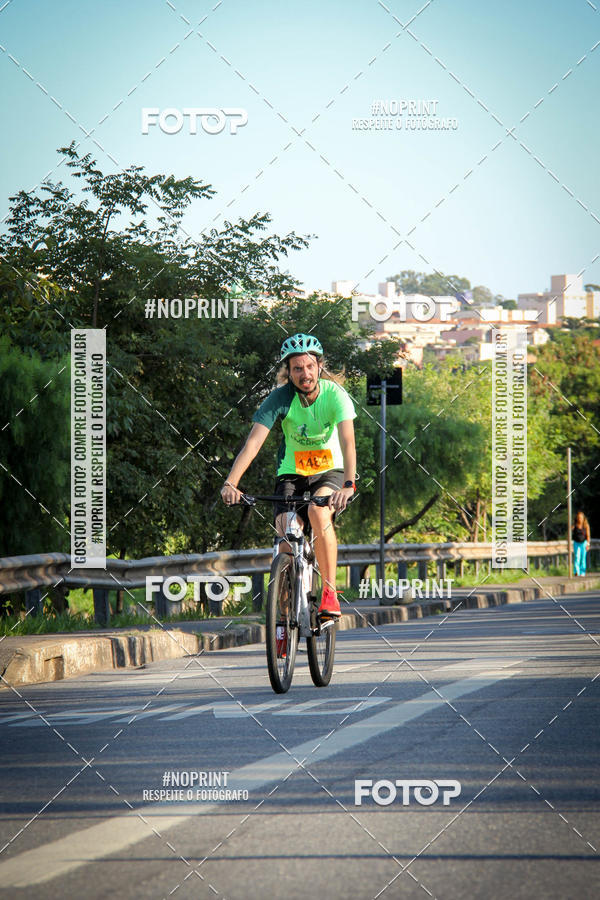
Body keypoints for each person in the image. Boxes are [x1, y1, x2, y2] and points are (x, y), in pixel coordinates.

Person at [221, 333, 357, 618]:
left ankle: (330, 593)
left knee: (319, 512)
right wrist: (231, 482)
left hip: (328, 470)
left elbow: (348, 442)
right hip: (292, 472)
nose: (304, 374)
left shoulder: (335, 395)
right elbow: (253, 444)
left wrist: (348, 484)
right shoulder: (279, 398)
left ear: (319, 366)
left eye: (309, 366)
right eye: (297, 368)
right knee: (286, 533)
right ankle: (283, 621)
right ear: (289, 372)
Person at [572, 511, 591, 576]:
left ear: (583, 518)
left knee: (583, 558)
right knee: (577, 557)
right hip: (576, 543)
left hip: (583, 543)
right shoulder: (574, 525)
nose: (580, 519)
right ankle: (576, 571)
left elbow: (588, 536)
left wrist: (588, 544)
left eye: (581, 518)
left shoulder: (586, 525)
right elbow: (569, 532)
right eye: (578, 517)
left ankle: (582, 572)